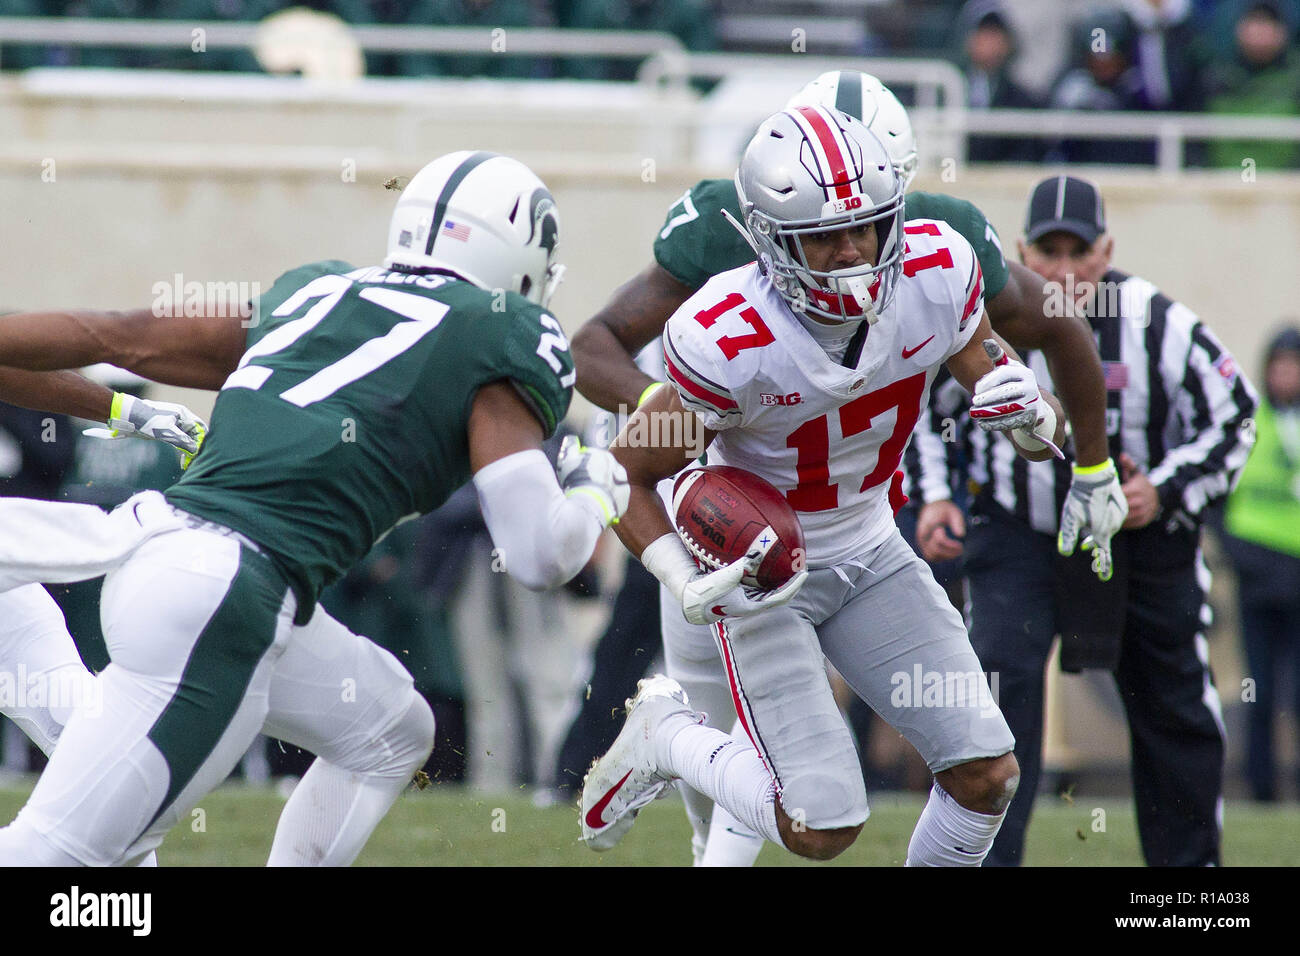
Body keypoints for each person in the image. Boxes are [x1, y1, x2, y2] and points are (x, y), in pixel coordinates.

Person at [0, 150, 629, 866]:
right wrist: (596, 488)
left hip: (182, 563)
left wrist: (116, 406)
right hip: (228, 596)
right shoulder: (501, 335)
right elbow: (542, 554)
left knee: (388, 729)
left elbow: (114, 334)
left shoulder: (318, 294)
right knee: (61, 863)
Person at [567, 69, 1120, 866]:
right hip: (762, 568)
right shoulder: (730, 335)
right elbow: (627, 474)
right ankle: (668, 736)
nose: (852, 251)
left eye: (866, 227)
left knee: (987, 776)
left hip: (870, 545)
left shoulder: (937, 270)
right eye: (824, 235)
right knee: (822, 828)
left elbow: (1009, 387)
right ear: (769, 240)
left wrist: (1035, 420)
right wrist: (681, 578)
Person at [912, 175, 1258, 865]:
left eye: (1080, 250)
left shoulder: (1161, 324)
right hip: (1019, 534)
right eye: (1049, 251)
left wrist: (1162, 491)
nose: (1066, 269)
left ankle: (1187, 888)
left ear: (1107, 250)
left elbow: (1237, 415)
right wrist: (936, 494)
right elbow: (923, 408)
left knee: (1173, 708)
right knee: (995, 704)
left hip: (1140, 541)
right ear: (1020, 252)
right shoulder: (979, 315)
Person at [1220, 326, 1300, 801]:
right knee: (1259, 689)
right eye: (1280, 365)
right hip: (1257, 581)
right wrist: (1239, 557)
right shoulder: (1249, 424)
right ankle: (1261, 787)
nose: (1286, 375)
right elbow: (1222, 496)